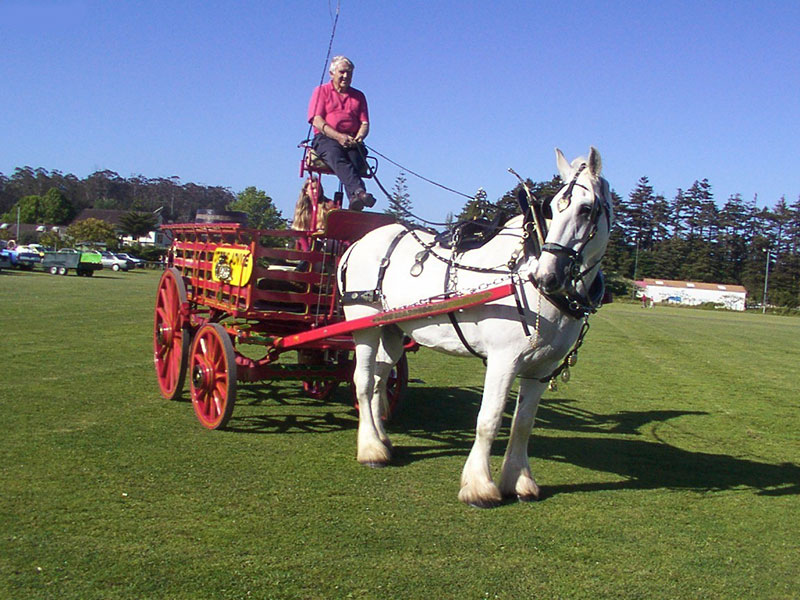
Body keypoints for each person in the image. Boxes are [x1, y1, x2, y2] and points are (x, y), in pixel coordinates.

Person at [307, 55, 376, 211]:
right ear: (332, 73)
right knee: (335, 154)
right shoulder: (321, 91)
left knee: (356, 158)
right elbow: (316, 120)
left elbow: (364, 123)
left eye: (349, 73)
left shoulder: (359, 96)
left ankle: (354, 199)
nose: (346, 76)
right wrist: (338, 136)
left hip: (351, 139)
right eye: (342, 72)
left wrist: (359, 137)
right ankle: (359, 192)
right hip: (326, 137)